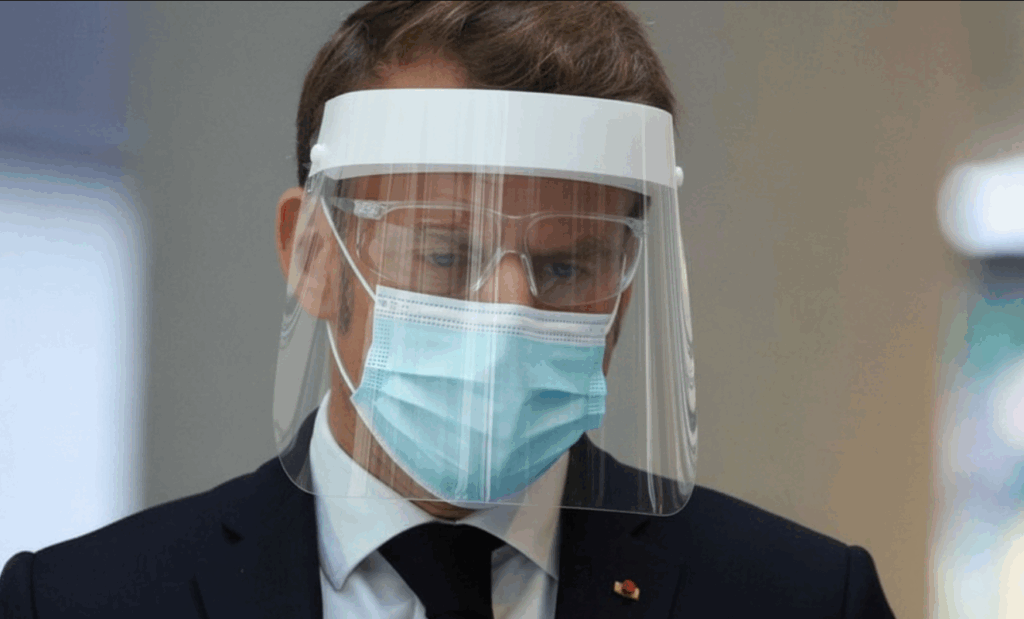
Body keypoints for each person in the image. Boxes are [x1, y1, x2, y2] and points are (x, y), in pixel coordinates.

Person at [0, 2, 896, 617]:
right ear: (312, 253)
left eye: (566, 264)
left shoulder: (798, 599)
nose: (507, 314)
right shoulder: (83, 602)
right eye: (444, 253)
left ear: (626, 283)